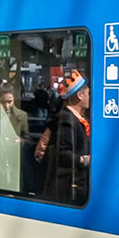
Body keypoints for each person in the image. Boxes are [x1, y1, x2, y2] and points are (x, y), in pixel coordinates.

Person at [38, 73, 90, 204]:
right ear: (80, 95)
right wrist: (84, 160)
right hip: (68, 187)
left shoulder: (75, 118)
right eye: (88, 93)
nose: (89, 97)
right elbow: (62, 153)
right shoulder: (66, 120)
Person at [0, 84, 29, 193]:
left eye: (10, 101)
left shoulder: (22, 116)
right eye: (3, 102)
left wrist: (21, 141)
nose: (7, 106)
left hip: (14, 165)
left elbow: (28, 140)